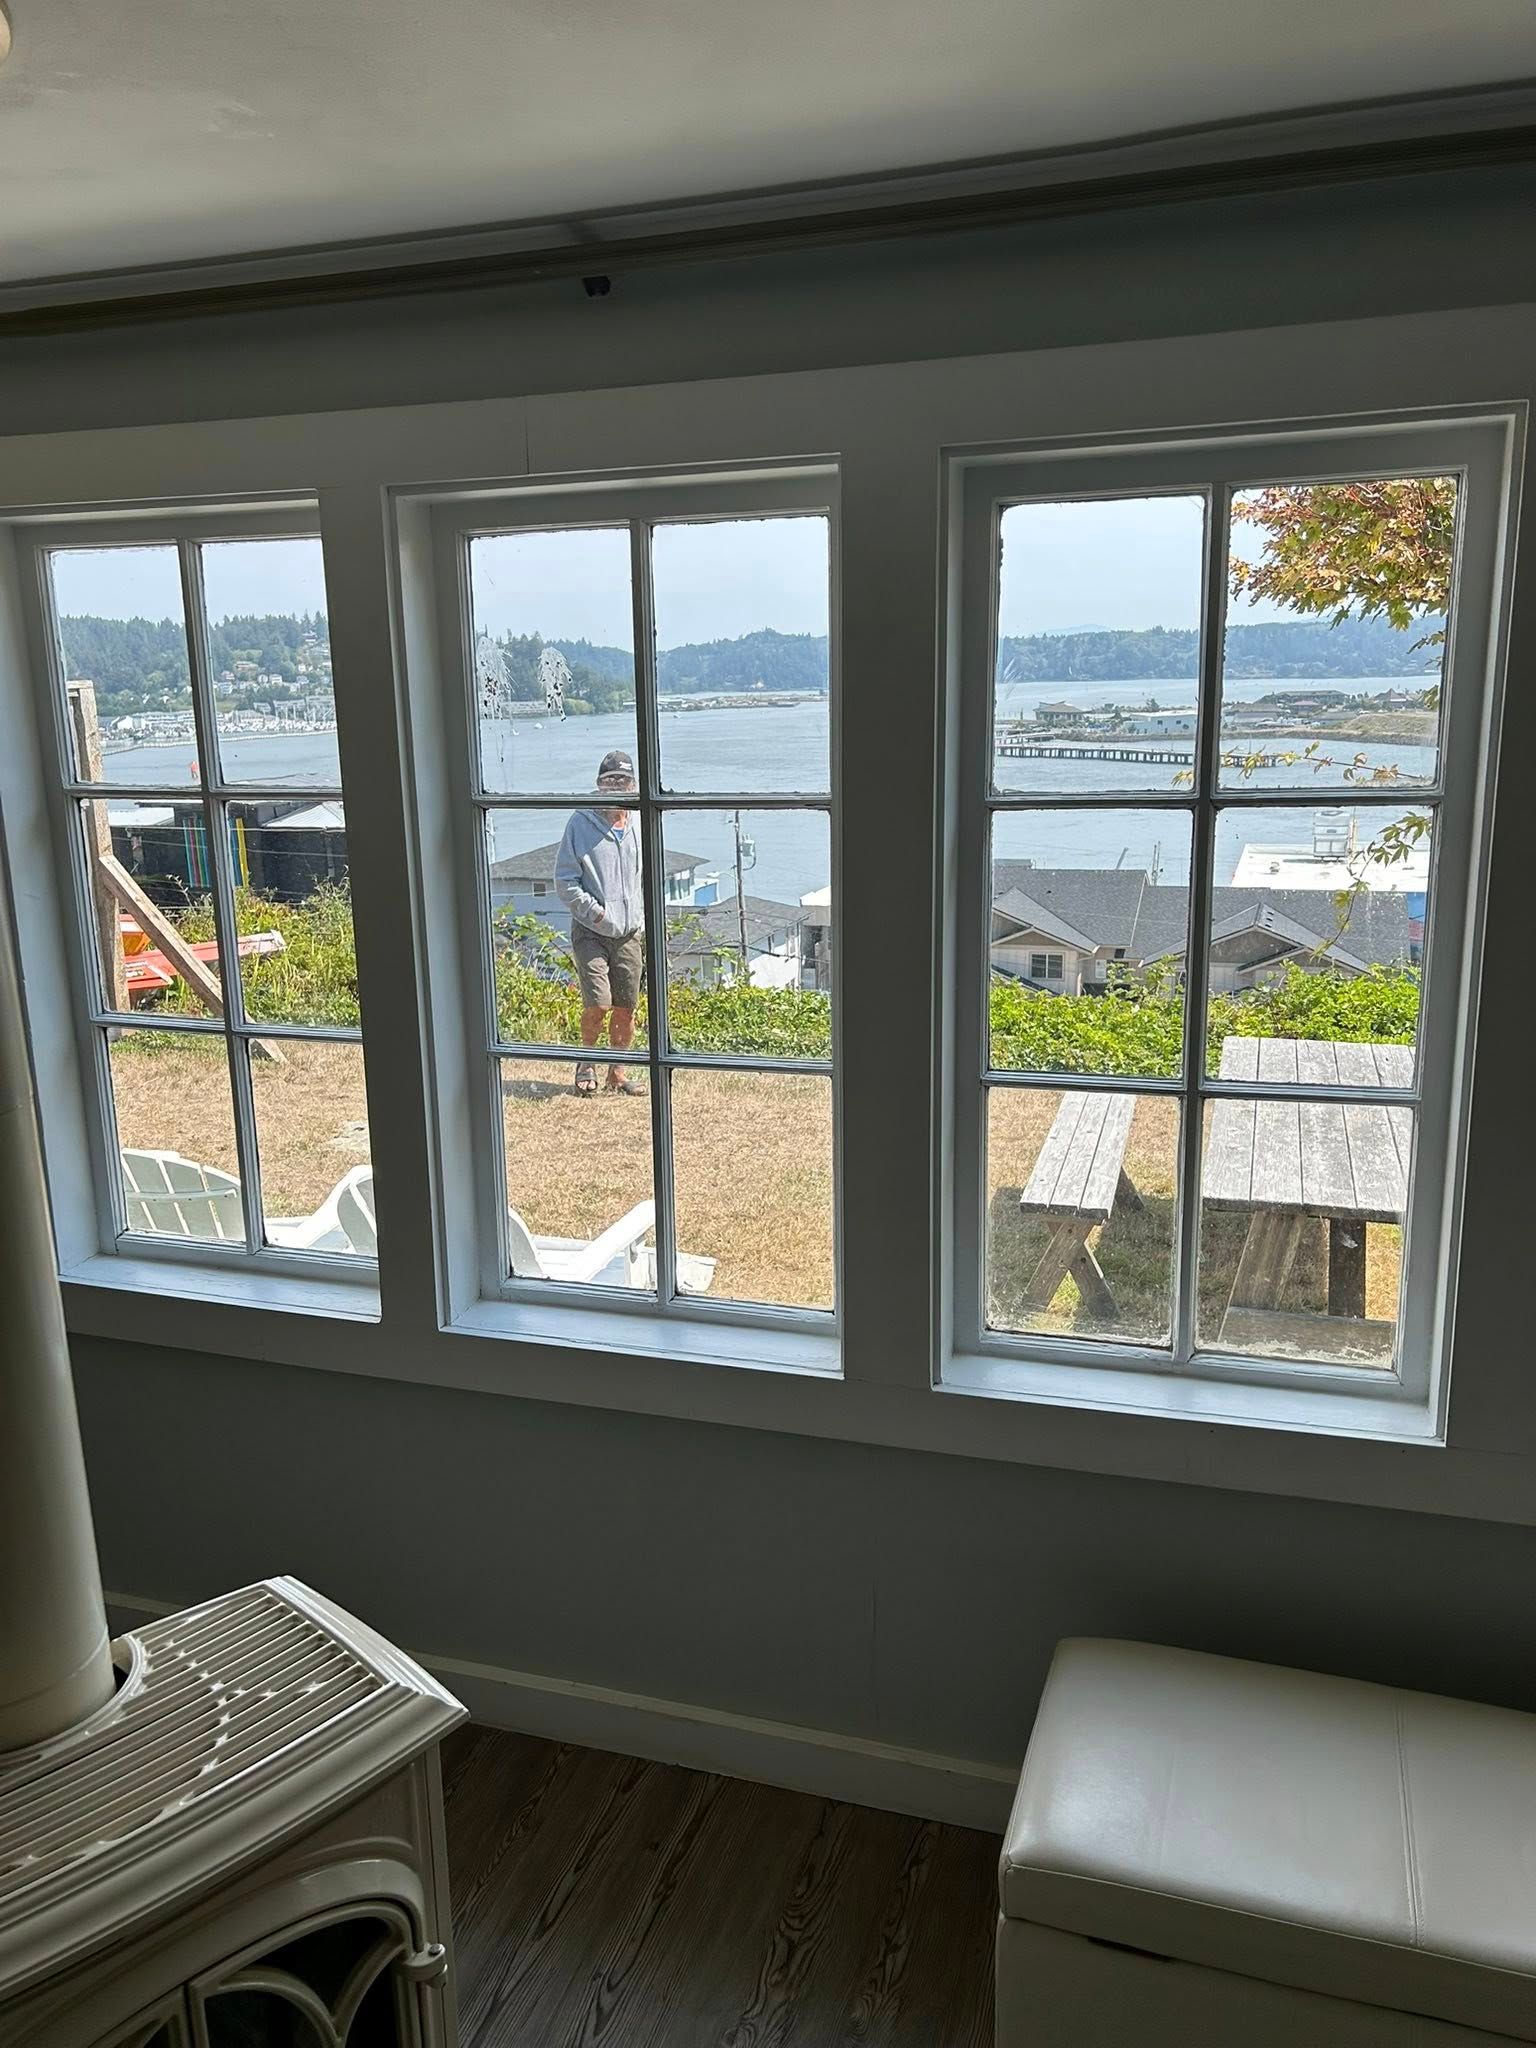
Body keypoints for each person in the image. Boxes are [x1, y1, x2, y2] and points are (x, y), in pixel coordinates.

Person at [555, 750, 645, 1097]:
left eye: (622, 781)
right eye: (609, 782)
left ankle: (617, 1074)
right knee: (598, 1004)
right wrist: (596, 913)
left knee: (627, 1007)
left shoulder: (639, 819)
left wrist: (636, 917)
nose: (616, 788)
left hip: (629, 933)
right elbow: (565, 880)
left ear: (633, 784)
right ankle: (587, 1063)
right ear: (598, 785)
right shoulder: (580, 822)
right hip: (591, 930)